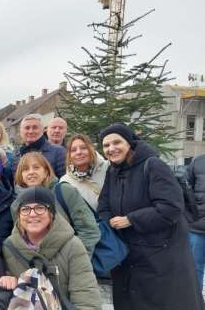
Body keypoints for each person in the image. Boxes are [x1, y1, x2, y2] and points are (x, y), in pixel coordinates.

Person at [97, 123, 203, 310]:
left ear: (129, 143)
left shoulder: (152, 165)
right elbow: (104, 205)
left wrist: (130, 219)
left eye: (116, 142)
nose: (111, 149)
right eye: (106, 145)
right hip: (128, 256)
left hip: (160, 257)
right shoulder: (113, 171)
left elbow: (171, 207)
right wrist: (109, 223)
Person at [0, 187, 101, 310]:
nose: (32, 214)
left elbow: (86, 297)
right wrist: (7, 279)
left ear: (51, 213)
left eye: (40, 208)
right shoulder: (9, 247)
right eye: (25, 209)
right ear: (19, 215)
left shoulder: (72, 245)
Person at [14, 151, 99, 255]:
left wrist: (76, 260)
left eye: (36, 167)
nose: (31, 172)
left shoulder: (64, 191)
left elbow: (89, 231)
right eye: (26, 169)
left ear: (46, 171)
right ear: (21, 175)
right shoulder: (16, 205)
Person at [60, 134, 109, 211]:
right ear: (69, 155)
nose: (78, 152)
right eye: (73, 150)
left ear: (91, 149)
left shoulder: (108, 168)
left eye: (83, 148)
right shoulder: (65, 182)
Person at [14, 114, 66, 178]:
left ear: (43, 130)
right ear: (21, 131)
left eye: (35, 127)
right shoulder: (17, 155)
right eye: (27, 128)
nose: (31, 131)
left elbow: (64, 182)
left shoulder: (59, 152)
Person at [186, 154, 205, 292]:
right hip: (197, 227)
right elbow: (186, 190)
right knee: (194, 268)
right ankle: (196, 303)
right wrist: (190, 216)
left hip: (196, 226)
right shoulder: (198, 161)